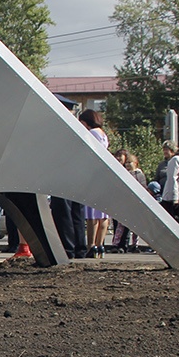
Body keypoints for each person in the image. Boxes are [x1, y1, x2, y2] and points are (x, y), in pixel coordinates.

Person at [80, 110, 111, 257]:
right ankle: (100, 245)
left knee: (92, 214)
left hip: (93, 175)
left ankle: (91, 245)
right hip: (104, 175)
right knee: (103, 214)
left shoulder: (91, 134)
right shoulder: (103, 134)